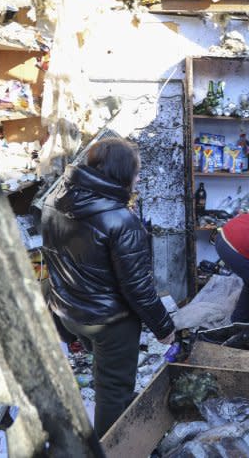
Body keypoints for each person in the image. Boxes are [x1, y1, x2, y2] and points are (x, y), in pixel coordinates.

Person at [41, 138, 175, 437]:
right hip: (109, 323)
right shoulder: (120, 219)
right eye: (136, 172)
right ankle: (113, 447)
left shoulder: (55, 198)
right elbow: (138, 287)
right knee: (113, 394)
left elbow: (55, 256)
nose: (138, 178)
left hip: (69, 311)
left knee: (102, 371)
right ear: (121, 173)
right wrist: (165, 328)